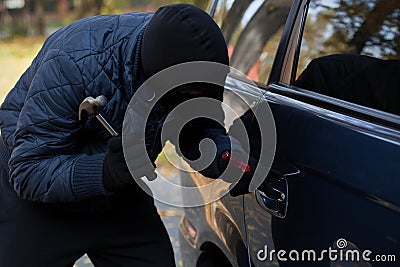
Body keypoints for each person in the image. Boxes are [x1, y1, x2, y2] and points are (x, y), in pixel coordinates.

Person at [0, 3, 258, 267]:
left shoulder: (182, 63)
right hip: (41, 199)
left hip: (119, 191)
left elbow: (194, 125)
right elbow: (27, 171)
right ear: (155, 79)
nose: (197, 100)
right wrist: (103, 171)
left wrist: (221, 155)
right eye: (191, 95)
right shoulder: (72, 63)